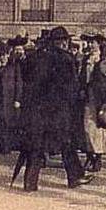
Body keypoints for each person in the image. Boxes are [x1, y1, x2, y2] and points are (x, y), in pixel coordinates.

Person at [17, 26, 92, 192]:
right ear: (64, 42)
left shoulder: (35, 57)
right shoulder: (66, 59)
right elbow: (72, 88)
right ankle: (75, 177)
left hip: (37, 110)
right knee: (67, 143)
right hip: (58, 111)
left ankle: (30, 182)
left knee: (36, 145)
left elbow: (26, 78)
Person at [82, 39, 106, 172]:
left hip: (98, 101)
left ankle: (96, 158)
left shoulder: (104, 62)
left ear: (99, 45)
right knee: (87, 130)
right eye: (90, 42)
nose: (91, 45)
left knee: (96, 131)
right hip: (87, 98)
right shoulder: (87, 59)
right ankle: (90, 155)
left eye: (93, 42)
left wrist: (105, 102)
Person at [0, 36, 28, 152]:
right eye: (16, 50)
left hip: (21, 97)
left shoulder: (27, 61)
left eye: (20, 50)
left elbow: (20, 82)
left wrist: (18, 98)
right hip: (9, 97)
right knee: (8, 120)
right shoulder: (11, 64)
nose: (18, 52)